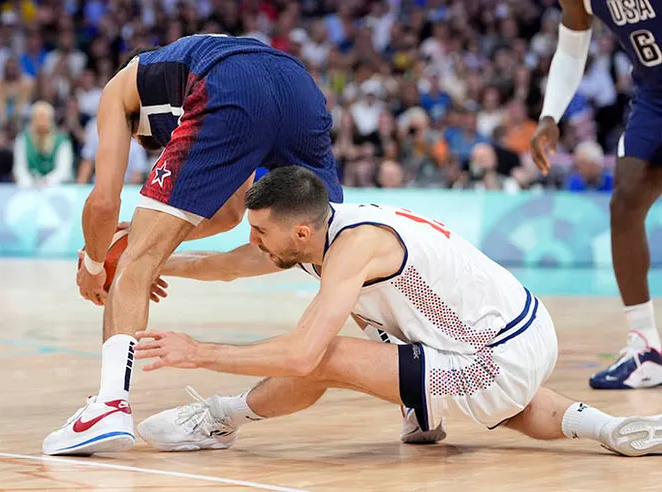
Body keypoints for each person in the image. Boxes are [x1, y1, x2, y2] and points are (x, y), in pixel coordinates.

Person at [133, 166, 662, 457]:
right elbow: (230, 264)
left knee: (327, 354)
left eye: (259, 232)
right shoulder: (325, 228)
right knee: (504, 400)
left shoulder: (353, 248)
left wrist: (197, 352)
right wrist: (150, 262)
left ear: (299, 231)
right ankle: (611, 431)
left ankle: (222, 419)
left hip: (489, 356)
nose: (253, 242)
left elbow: (301, 357)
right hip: (516, 333)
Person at [42, 35, 343, 456]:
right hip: (298, 85)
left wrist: (97, 264)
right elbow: (227, 216)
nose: (159, 145)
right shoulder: (193, 62)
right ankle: (407, 379)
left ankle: (108, 407)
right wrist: (152, 242)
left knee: (135, 260)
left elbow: (105, 201)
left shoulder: (119, 87)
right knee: (332, 244)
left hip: (228, 85)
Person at [529, 0, 662, 390]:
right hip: (655, 97)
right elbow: (572, 46)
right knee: (625, 202)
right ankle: (645, 348)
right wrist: (550, 115)